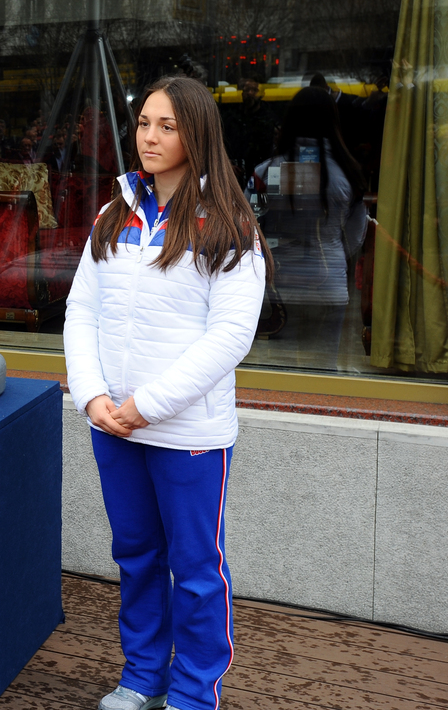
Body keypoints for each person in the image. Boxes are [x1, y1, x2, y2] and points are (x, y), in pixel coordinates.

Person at [63, 75, 271, 710]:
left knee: (196, 570)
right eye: (144, 123)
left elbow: (230, 336)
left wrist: (146, 405)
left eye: (167, 126)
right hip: (115, 427)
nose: (149, 137)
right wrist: (93, 397)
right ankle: (142, 678)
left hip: (186, 433)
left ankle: (192, 692)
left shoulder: (228, 224)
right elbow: (81, 310)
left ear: (196, 135)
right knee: (136, 558)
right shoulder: (115, 214)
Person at [252, 87, 367, 369]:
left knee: (280, 371)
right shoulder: (348, 175)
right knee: (323, 372)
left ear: (289, 120)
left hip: (280, 286)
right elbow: (354, 237)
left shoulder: (266, 173)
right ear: (334, 122)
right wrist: (329, 250)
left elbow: (252, 229)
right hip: (330, 287)